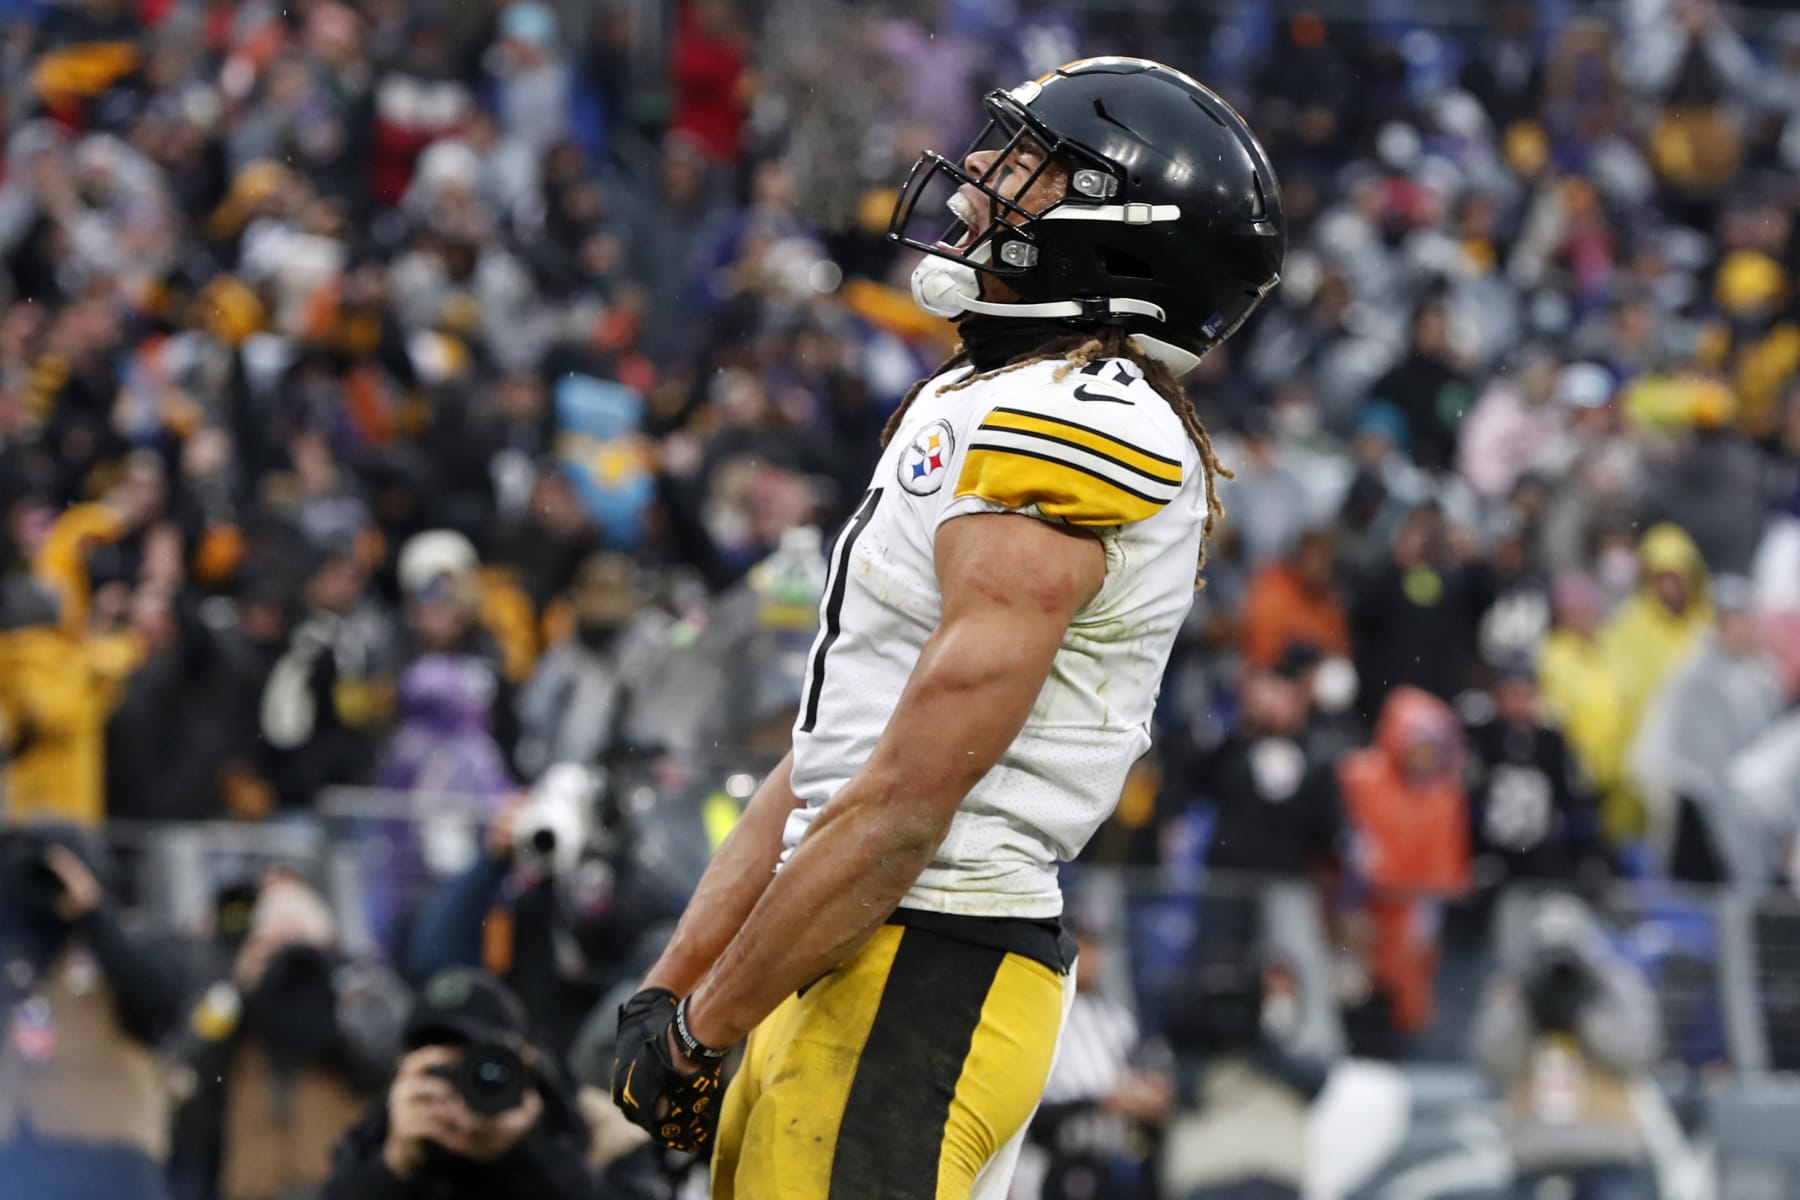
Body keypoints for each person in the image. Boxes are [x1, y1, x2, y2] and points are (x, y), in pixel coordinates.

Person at [609, 57, 1284, 1199]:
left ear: (1118, 232)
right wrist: (676, 989)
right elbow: (833, 761)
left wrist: (708, 1022)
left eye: (1030, 163)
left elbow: (910, 805)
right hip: (847, 939)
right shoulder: (985, 395)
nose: (980, 172)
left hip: (924, 955)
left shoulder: (1081, 415)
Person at [166, 872, 409, 1200]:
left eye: (295, 940)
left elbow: (382, 1062)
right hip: (252, 1185)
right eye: (272, 943)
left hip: (339, 1185)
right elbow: (186, 1062)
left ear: (326, 940)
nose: (285, 959)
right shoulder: (238, 1002)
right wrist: (237, 988)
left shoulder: (363, 987)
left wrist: (322, 992)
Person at [0, 822, 183, 1200]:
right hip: (21, 1157)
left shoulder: (134, 938)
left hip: (113, 1162)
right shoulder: (15, 951)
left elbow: (158, 1008)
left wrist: (93, 912)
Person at [322, 967, 596, 1200]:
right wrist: (395, 1162)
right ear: (404, 1075)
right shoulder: (375, 1138)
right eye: (442, 1073)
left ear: (523, 1067)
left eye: (480, 1069)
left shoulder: (589, 1130)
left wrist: (529, 1151)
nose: (461, 1091)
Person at [1473, 895, 1663, 1200]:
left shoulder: (1616, 982)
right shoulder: (1516, 988)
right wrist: (1529, 1008)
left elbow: (1637, 1054)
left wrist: (1585, 1011)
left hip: (1607, 1147)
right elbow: (1495, 1064)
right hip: (1535, 1148)